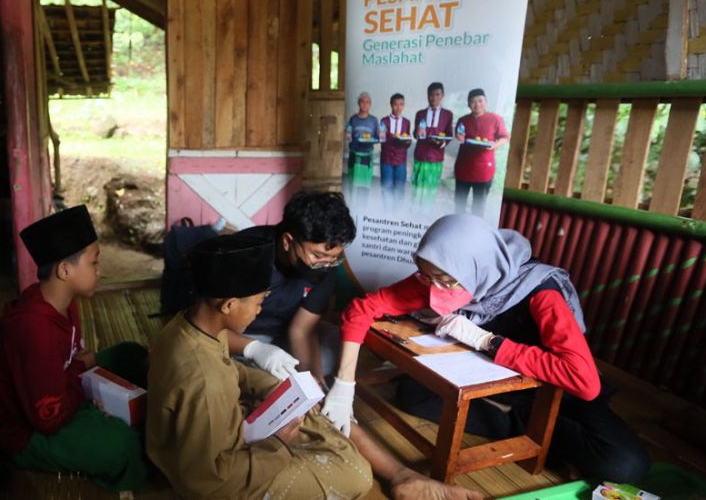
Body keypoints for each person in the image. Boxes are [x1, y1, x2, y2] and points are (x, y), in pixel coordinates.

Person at [147, 233, 481, 500]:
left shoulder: (191, 326)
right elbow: (204, 482)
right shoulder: (204, 381)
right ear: (229, 304)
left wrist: (274, 386)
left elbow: (231, 369)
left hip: (229, 427)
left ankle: (403, 475)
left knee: (310, 401)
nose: (259, 311)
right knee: (354, 474)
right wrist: (276, 443)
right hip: (218, 476)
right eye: (259, 302)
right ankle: (394, 474)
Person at [324, 214, 650, 483]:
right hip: (494, 384)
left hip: (555, 392)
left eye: (444, 281)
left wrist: (485, 341)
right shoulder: (444, 272)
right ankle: (520, 427)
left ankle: (532, 427)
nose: (434, 289)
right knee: (413, 394)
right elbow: (362, 309)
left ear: (476, 269)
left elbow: (584, 381)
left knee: (625, 467)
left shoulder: (540, 293)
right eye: (426, 276)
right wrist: (344, 385)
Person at [0, 205, 149, 492]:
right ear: (64, 269)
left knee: (131, 355)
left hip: (63, 385)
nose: (100, 271)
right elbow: (49, 420)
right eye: (94, 262)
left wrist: (79, 372)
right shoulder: (33, 330)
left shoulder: (61, 301)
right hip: (25, 434)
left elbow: (71, 359)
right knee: (124, 444)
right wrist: (81, 386)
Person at [228, 191, 354, 385]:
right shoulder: (246, 255)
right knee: (229, 367)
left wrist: (314, 382)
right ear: (288, 242)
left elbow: (302, 329)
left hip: (285, 332)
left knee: (339, 347)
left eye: (333, 257)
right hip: (241, 334)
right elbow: (207, 327)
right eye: (317, 256)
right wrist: (253, 348)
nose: (325, 264)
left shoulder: (327, 265)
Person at [453, 88, 509, 216]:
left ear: (486, 102)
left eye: (480, 101)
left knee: (479, 205)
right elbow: (459, 136)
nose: (477, 104)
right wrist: (459, 137)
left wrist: (494, 145)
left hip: (484, 169)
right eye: (473, 101)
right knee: (459, 203)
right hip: (463, 167)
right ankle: (457, 226)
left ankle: (475, 229)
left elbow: (504, 137)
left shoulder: (495, 119)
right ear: (468, 104)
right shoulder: (463, 120)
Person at [413, 82, 454, 202]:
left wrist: (441, 143)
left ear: (442, 95)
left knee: (431, 186)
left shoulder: (448, 114)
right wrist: (417, 132)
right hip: (420, 154)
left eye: (437, 94)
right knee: (417, 184)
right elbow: (415, 134)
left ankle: (426, 213)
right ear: (427, 95)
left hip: (436, 157)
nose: (434, 98)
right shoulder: (420, 113)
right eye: (431, 95)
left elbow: (449, 135)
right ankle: (415, 212)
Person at [345, 91, 379, 194]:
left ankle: (363, 208)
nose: (365, 104)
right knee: (353, 184)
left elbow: (378, 138)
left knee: (364, 186)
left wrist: (379, 136)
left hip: (367, 156)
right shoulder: (353, 119)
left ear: (370, 104)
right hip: (354, 156)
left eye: (367, 102)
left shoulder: (374, 120)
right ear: (358, 103)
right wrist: (347, 135)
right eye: (362, 101)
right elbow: (348, 136)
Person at [380, 93, 411, 203]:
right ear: (391, 105)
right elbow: (381, 139)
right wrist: (382, 136)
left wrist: (407, 141)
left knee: (399, 187)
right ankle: (387, 214)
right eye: (395, 105)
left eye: (401, 104)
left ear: (403, 105)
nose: (398, 108)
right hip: (387, 159)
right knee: (386, 186)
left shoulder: (407, 122)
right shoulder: (384, 121)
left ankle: (397, 214)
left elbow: (407, 141)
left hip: (401, 160)